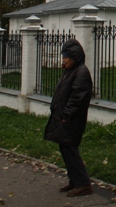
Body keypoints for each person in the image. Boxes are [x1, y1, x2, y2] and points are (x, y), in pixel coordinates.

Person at [44, 38, 93, 197]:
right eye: (63, 57)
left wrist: (67, 114)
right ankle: (75, 181)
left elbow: (78, 97)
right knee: (65, 147)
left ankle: (83, 184)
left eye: (66, 57)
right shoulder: (70, 72)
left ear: (74, 57)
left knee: (70, 148)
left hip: (72, 119)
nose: (63, 61)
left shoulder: (81, 73)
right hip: (64, 117)